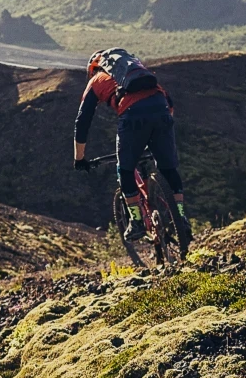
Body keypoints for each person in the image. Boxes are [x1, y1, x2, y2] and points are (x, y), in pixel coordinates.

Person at [72, 48, 188, 246]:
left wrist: (79, 158)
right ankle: (181, 217)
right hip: (161, 111)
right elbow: (169, 102)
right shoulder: (139, 72)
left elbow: (82, 121)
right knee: (168, 169)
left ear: (94, 69)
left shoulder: (96, 81)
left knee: (124, 169)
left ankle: (136, 221)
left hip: (132, 116)